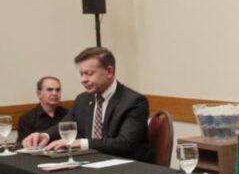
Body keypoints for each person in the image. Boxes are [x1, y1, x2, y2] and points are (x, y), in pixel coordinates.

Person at [22, 47, 152, 161]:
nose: (83, 80)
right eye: (81, 74)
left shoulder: (134, 101)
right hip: (91, 163)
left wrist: (81, 143)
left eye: (89, 74)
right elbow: (66, 125)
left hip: (125, 166)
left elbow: (125, 144)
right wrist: (45, 135)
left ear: (109, 71)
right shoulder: (82, 99)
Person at [17, 76, 67, 144]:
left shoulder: (69, 114)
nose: (54, 93)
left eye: (58, 90)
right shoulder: (26, 119)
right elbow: (24, 145)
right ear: (39, 94)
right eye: (50, 90)